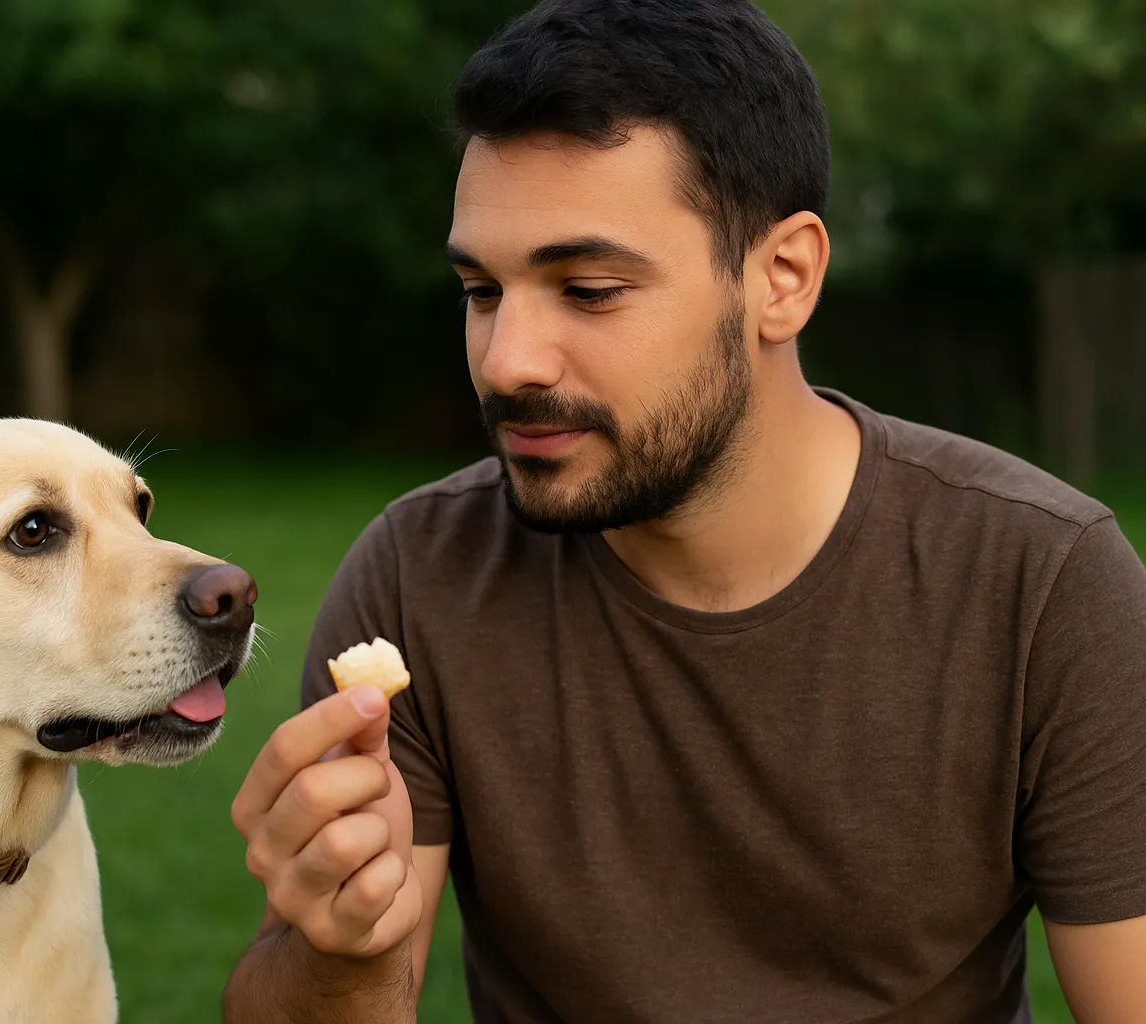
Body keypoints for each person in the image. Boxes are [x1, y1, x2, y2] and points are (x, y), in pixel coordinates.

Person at [222, 1, 1146, 1020]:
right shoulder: (419, 580)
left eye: (590, 288)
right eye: (483, 291)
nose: (508, 360)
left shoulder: (1042, 584)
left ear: (782, 278)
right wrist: (343, 945)